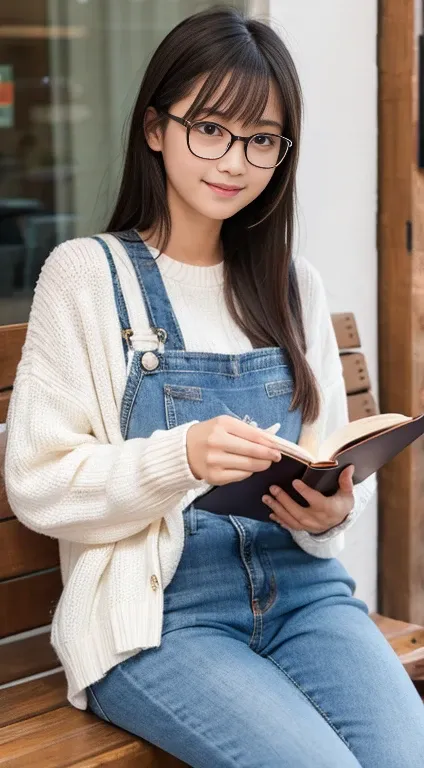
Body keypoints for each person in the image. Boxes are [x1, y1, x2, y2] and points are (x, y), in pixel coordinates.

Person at [4, 7, 424, 767]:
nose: (234, 160)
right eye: (210, 129)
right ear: (156, 128)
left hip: (305, 597)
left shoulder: (293, 286)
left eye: (261, 139)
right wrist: (182, 458)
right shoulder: (87, 276)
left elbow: (326, 459)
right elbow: (38, 482)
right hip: (160, 619)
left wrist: (329, 511)